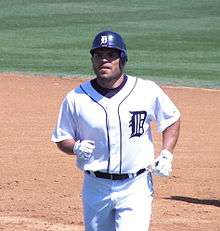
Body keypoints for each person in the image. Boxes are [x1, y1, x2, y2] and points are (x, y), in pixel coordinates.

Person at [51, 30, 180, 231]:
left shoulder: (146, 90)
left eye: (111, 55)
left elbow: (171, 118)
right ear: (92, 60)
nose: (104, 60)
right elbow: (61, 137)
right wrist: (75, 147)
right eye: (99, 55)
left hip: (135, 185)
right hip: (95, 186)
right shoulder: (76, 97)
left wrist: (166, 154)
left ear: (122, 59)